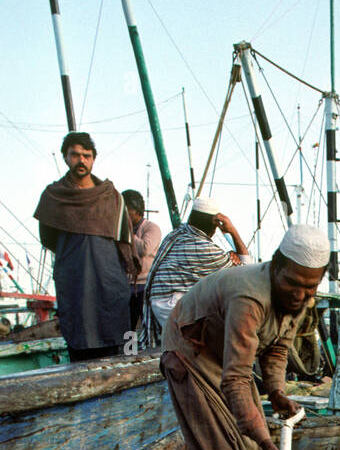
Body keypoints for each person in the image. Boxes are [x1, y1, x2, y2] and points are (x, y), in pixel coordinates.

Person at [160, 223, 330, 450]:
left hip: (223, 355)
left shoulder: (300, 302)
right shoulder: (249, 296)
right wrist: (272, 447)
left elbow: (278, 349)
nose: (300, 294)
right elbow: (236, 380)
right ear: (276, 266)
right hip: (190, 350)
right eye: (293, 283)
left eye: (310, 287)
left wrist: (277, 392)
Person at [34, 131, 136, 361]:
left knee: (119, 335)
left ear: (93, 158)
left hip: (109, 278)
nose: (81, 160)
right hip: (74, 279)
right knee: (79, 334)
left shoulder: (112, 197)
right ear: (65, 157)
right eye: (75, 155)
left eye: (87, 156)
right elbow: (48, 239)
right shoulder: (53, 197)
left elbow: (124, 239)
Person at [142, 196, 249, 347]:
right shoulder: (202, 247)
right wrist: (232, 232)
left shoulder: (176, 235)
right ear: (215, 224)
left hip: (163, 303)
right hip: (174, 306)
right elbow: (246, 271)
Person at [122, 189, 161, 330]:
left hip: (145, 285)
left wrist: (127, 231)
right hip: (126, 285)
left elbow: (145, 249)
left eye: (127, 210)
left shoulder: (152, 228)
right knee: (128, 326)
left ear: (135, 209)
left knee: (148, 324)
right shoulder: (121, 230)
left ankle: (150, 350)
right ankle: (128, 351)